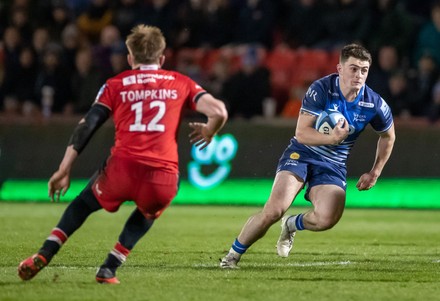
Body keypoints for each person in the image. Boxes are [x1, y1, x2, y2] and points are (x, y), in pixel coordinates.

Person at [17, 24, 228, 283]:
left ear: (130, 58)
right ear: (161, 59)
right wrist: (209, 131)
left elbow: (88, 125)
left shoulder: (115, 84)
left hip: (121, 170)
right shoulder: (180, 82)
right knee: (151, 209)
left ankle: (45, 253)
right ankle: (109, 267)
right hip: (161, 177)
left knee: (83, 204)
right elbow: (219, 111)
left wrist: (64, 168)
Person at [220, 43, 395, 268]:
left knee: (327, 219)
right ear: (340, 69)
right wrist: (332, 138)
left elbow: (388, 136)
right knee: (273, 210)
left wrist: (375, 172)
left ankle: (292, 224)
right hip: (301, 154)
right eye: (353, 69)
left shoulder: (374, 103)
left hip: (333, 164)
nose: (359, 75)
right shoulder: (321, 89)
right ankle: (231, 257)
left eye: (363, 70)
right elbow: (302, 133)